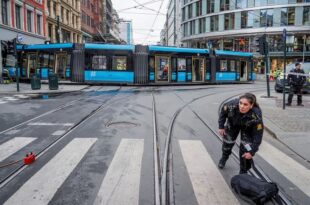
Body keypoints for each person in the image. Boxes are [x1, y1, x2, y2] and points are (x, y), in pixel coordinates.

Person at [218, 93, 264, 174]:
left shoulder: (256, 115)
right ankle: (224, 158)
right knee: (227, 143)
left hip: (247, 128)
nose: (242, 106)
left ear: (251, 105)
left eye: (245, 104)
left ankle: (243, 170)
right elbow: (223, 113)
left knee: (246, 149)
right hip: (233, 124)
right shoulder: (230, 105)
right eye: (240, 103)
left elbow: (258, 135)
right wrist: (221, 126)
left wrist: (252, 151)